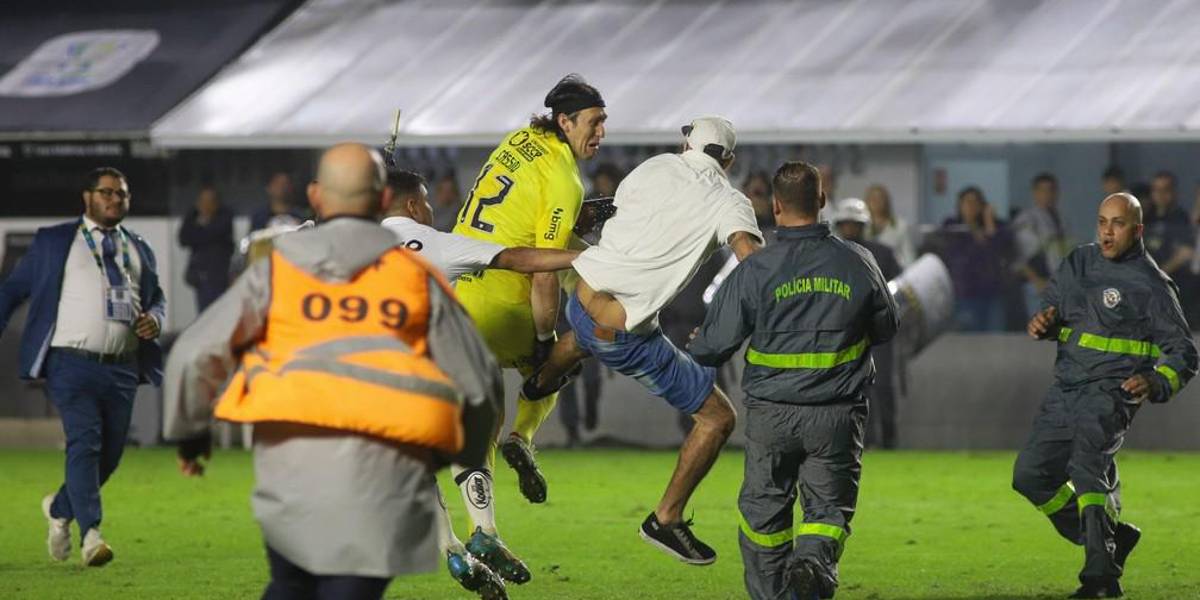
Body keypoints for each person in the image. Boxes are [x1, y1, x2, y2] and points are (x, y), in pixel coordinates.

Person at [163, 143, 502, 600]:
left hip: (289, 466)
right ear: (384, 202)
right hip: (375, 468)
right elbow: (480, 386)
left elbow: (193, 353)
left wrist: (190, 434)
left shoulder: (281, 266)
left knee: (290, 584)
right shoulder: (415, 276)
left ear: (317, 197)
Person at [522, 116, 763, 564]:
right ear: (728, 160)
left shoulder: (654, 166)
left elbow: (614, 212)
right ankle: (666, 519)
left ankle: (539, 382)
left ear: (685, 143)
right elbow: (751, 260)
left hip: (581, 295)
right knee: (718, 419)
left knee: (581, 337)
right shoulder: (731, 201)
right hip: (622, 333)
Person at [690, 162, 897, 600]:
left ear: (777, 205)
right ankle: (811, 562)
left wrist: (700, 340)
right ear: (822, 201)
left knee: (764, 516)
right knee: (827, 513)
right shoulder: (858, 260)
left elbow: (712, 347)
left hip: (771, 416)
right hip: (836, 415)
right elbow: (886, 330)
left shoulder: (756, 268)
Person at [380, 167, 579, 596]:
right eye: (427, 201)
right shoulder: (430, 242)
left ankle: (451, 548)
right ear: (413, 206)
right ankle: (484, 530)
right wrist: (579, 256)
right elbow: (516, 258)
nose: (432, 208)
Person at [1013, 193, 1197, 599]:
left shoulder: (1153, 285)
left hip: (1112, 393)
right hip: (1065, 388)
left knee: (1087, 468)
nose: (1107, 232)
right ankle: (1111, 538)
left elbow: (1185, 354)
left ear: (1138, 230)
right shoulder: (1078, 262)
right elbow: (1053, 309)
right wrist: (1044, 322)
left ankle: (1100, 579)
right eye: (1101, 222)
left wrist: (1156, 381)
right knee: (1029, 475)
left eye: (1117, 224)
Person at [451, 73, 607, 505]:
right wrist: (544, 340)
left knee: (483, 412)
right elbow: (543, 270)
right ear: (565, 121)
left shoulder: (518, 139)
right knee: (553, 370)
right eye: (593, 122)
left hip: (459, 297)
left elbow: (518, 214)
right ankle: (523, 437)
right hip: (505, 304)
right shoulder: (565, 178)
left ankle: (481, 527)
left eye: (603, 121)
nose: (601, 132)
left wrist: (573, 221)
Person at [0, 167, 165, 567]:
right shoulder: (56, 241)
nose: (114, 200)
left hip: (122, 366)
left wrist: (156, 319)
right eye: (106, 192)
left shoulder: (139, 247)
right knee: (85, 443)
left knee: (109, 455)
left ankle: (59, 509)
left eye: (122, 195)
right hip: (70, 363)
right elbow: (11, 291)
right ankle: (92, 534)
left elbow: (156, 298)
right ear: (87, 197)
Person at [832, 198, 902, 450]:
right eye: (846, 224)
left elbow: (899, 287)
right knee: (856, 389)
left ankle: (890, 440)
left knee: (883, 385)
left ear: (864, 225)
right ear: (839, 225)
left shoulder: (882, 253)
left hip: (879, 329)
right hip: (846, 331)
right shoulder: (830, 255)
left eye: (855, 224)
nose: (850, 228)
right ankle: (865, 440)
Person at [939, 186, 1012, 331]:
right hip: (965, 292)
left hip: (992, 292)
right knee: (969, 340)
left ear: (982, 206)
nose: (971, 207)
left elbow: (1000, 249)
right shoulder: (952, 226)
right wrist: (973, 231)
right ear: (960, 206)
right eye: (967, 203)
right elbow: (953, 253)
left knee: (996, 337)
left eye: (975, 203)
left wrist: (989, 223)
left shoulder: (997, 225)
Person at [1013, 173, 1071, 318]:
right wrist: (1036, 280)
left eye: (1052, 190)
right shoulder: (1027, 219)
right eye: (1043, 190)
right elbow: (1017, 257)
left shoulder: (1062, 219)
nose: (1048, 194)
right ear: (1035, 193)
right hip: (1038, 285)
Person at [178, 184, 234, 312]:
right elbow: (184, 238)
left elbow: (215, 233)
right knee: (204, 313)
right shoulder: (193, 215)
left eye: (209, 202)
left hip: (219, 275)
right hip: (199, 275)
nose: (205, 205)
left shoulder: (225, 216)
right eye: (202, 201)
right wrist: (201, 229)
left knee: (219, 312)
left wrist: (199, 229)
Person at [863, 183, 917, 268]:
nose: (876, 202)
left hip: (894, 272)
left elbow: (909, 256)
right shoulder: (862, 226)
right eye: (873, 198)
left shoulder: (900, 226)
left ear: (887, 201)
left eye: (880, 198)